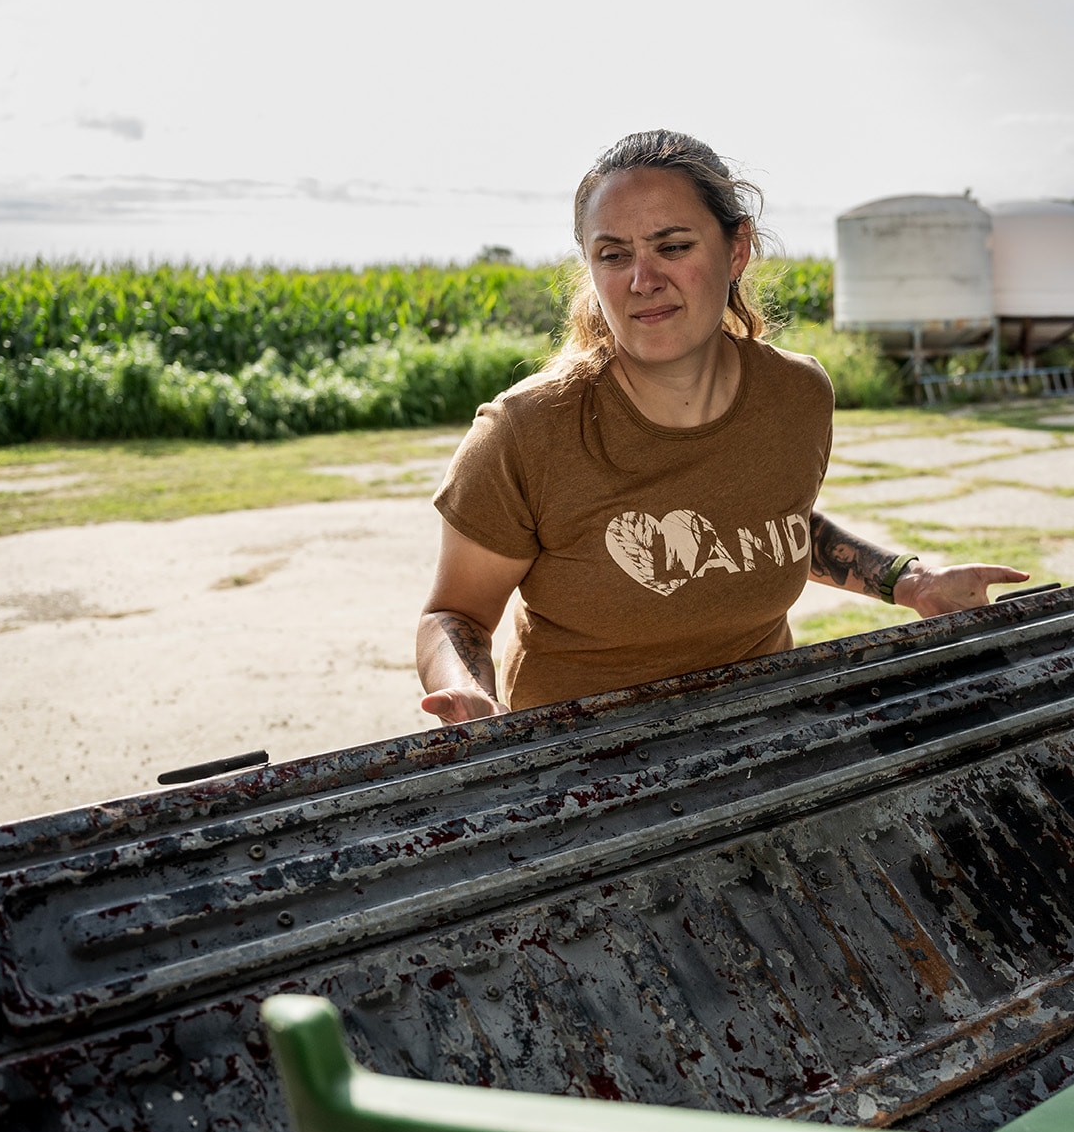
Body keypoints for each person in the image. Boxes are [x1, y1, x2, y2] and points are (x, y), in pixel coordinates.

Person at [416, 130, 1027, 724]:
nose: (642, 279)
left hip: (763, 735)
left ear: (737, 250)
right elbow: (455, 615)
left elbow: (768, 527)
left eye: (673, 246)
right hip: (582, 772)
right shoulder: (526, 430)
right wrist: (468, 694)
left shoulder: (798, 395)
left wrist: (911, 582)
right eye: (614, 255)